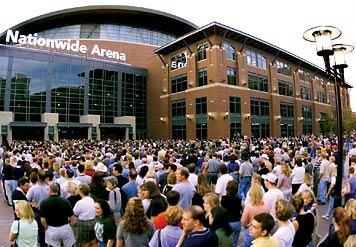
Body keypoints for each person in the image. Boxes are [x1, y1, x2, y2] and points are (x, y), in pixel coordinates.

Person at [39, 182, 76, 247]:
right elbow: (72, 217)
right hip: (65, 227)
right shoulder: (65, 201)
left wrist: (46, 227)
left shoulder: (44, 203)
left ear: (50, 190)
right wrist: (70, 225)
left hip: (52, 229)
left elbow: (42, 219)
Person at [221, 180, 242, 247]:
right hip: (237, 221)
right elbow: (243, 209)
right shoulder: (239, 199)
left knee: (226, 241)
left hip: (227, 222)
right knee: (235, 242)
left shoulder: (222, 199)